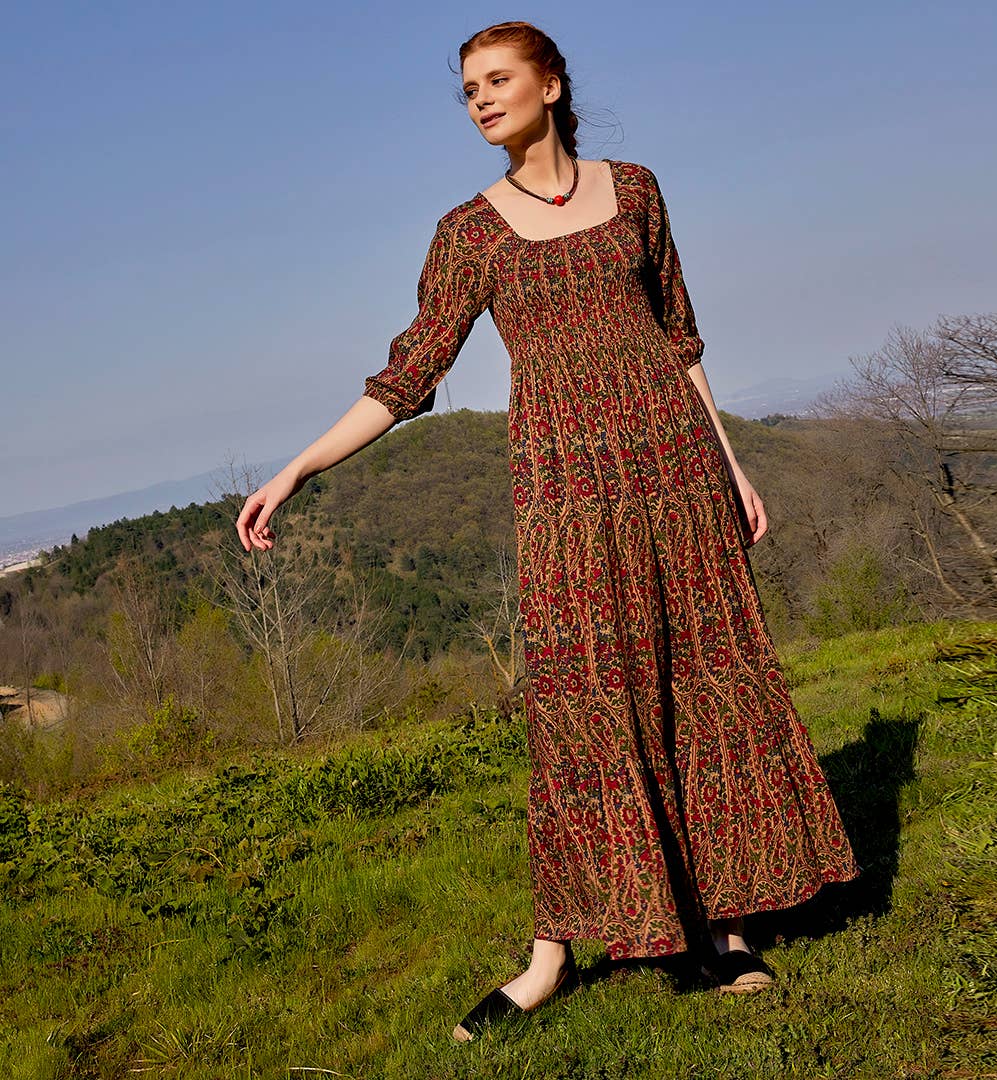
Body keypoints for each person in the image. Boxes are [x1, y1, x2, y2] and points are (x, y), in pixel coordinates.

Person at [236, 19, 861, 1042]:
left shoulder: (641, 190)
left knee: (704, 681)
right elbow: (408, 376)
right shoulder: (468, 232)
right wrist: (297, 467)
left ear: (553, 84)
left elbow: (682, 338)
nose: (481, 99)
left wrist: (733, 464)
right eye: (468, 89)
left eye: (498, 80)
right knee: (581, 708)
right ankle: (549, 958)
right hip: (567, 495)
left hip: (675, 470)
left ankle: (729, 929)